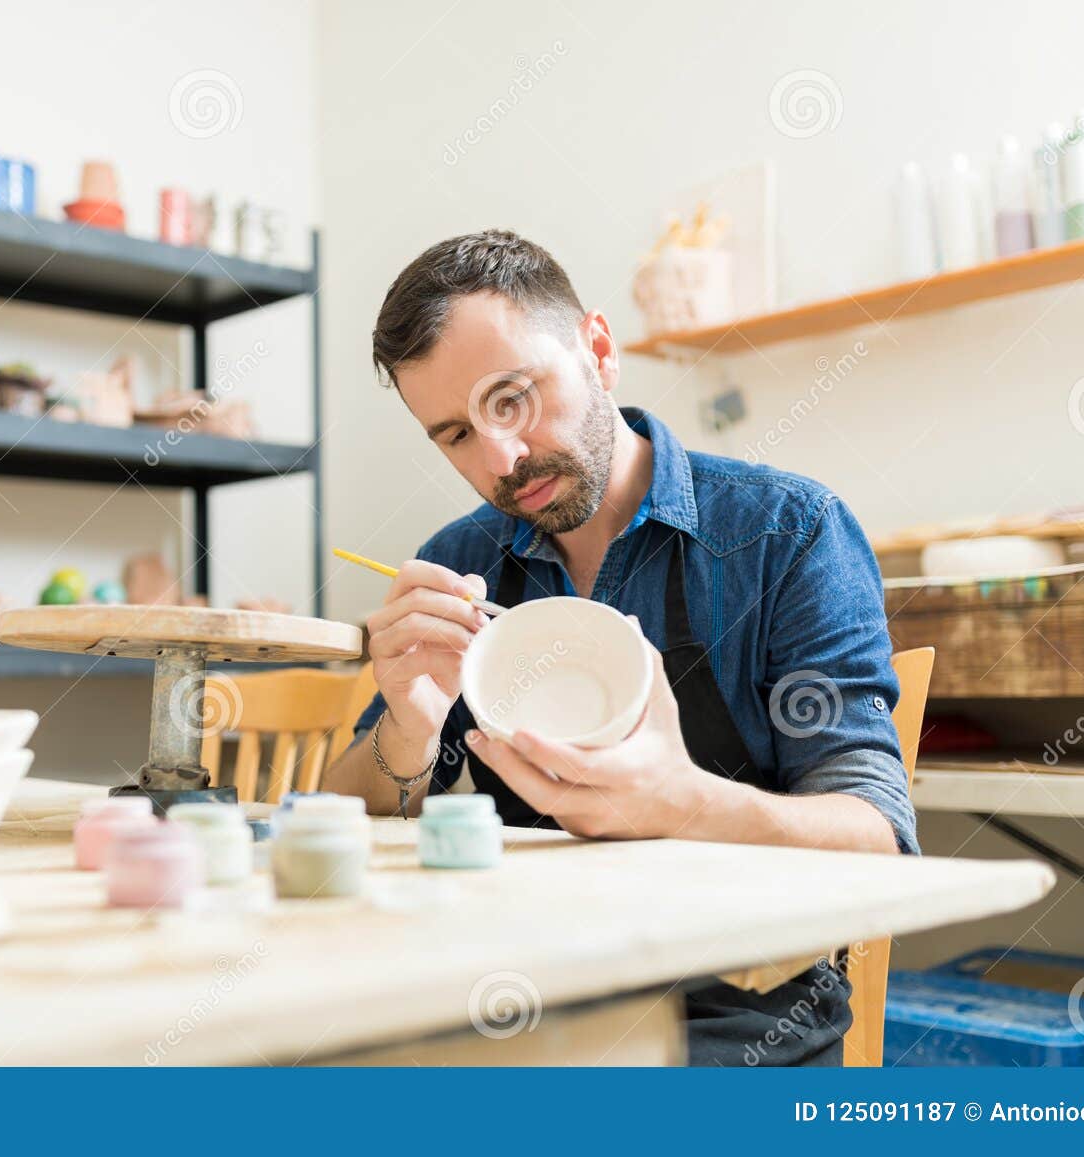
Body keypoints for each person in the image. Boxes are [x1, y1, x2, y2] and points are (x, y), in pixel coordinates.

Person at [321, 229, 917, 1066]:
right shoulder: (463, 559)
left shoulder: (786, 534)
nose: (502, 458)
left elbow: (879, 842)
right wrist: (406, 735)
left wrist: (682, 802)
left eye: (512, 397)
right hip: (504, 991)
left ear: (598, 350)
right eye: (455, 434)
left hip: (729, 1014)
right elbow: (343, 813)